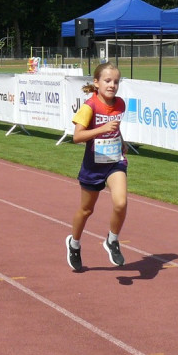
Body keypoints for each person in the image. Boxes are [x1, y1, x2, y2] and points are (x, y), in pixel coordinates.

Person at [65, 62, 128, 272]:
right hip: (94, 164)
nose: (112, 85)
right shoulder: (89, 106)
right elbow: (77, 137)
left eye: (116, 82)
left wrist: (121, 140)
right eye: (107, 81)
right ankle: (74, 244)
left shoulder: (120, 104)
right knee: (86, 210)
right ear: (96, 82)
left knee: (120, 203)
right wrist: (101, 129)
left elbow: (115, 127)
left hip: (114, 161)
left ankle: (112, 239)